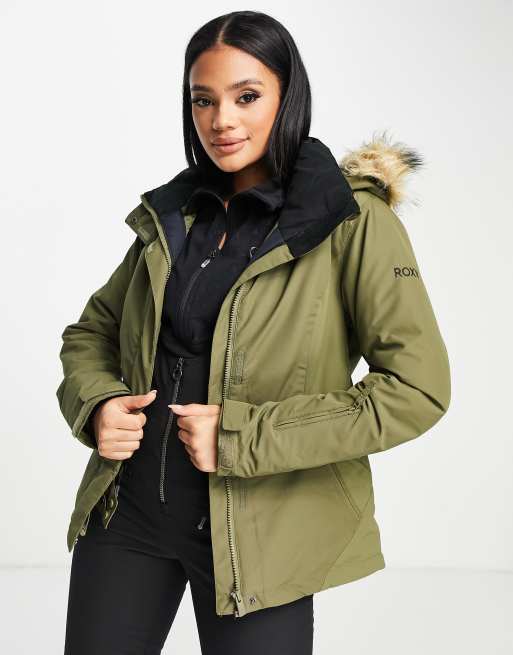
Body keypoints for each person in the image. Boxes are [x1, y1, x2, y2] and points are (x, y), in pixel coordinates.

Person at [57, 10, 451, 655]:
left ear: (287, 97)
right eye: (203, 100)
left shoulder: (351, 221)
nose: (221, 120)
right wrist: (97, 402)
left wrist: (243, 437)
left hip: (261, 537)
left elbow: (417, 390)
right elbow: (90, 333)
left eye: (246, 96)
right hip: (127, 515)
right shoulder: (173, 216)